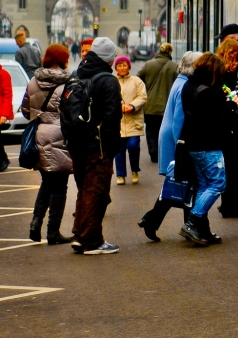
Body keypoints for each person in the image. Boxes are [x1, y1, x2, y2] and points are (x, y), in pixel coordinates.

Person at [65, 37, 123, 255]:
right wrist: (111, 147)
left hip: (75, 144)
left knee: (84, 190)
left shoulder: (77, 74)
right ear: (109, 59)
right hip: (98, 146)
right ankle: (92, 240)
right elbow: (111, 117)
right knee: (96, 192)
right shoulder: (107, 81)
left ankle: (79, 235)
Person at [137, 51, 199, 242]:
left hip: (172, 138)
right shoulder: (184, 86)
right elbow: (179, 121)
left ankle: (156, 221)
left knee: (179, 185)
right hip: (176, 140)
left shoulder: (180, 81)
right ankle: (188, 225)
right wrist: (182, 146)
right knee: (183, 184)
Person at [178, 53, 234, 246]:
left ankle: (203, 231)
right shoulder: (208, 93)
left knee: (203, 186)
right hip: (208, 145)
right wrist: (229, 105)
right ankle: (193, 222)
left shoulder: (189, 85)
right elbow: (216, 120)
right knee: (218, 184)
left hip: (192, 144)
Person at [21, 44, 73, 245]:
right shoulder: (67, 83)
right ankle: (53, 232)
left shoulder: (34, 81)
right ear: (62, 59)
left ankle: (35, 223)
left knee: (46, 182)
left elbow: (26, 111)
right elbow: (71, 112)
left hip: (39, 135)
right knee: (60, 185)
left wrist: (39, 113)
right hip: (60, 136)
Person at [215, 38, 238, 216]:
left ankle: (235, 202)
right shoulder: (221, 77)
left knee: (235, 167)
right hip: (228, 128)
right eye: (235, 59)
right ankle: (230, 204)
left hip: (235, 128)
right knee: (231, 167)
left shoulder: (230, 75)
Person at [137, 42, 177, 164]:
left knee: (150, 130)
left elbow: (138, 78)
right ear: (170, 52)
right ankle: (161, 151)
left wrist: (147, 87)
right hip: (166, 105)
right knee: (162, 129)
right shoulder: (174, 66)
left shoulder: (149, 65)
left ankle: (153, 150)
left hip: (150, 105)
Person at [113, 56, 147, 185]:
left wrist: (132, 106)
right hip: (118, 122)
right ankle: (121, 175)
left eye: (124, 65)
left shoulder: (136, 81)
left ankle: (134, 170)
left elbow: (142, 96)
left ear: (129, 67)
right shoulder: (113, 81)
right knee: (119, 150)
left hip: (133, 121)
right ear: (116, 67)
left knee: (133, 146)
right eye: (119, 65)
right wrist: (119, 106)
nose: (122, 67)